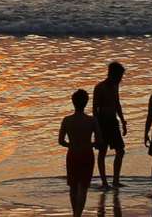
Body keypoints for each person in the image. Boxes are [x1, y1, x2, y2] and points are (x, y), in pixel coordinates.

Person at [58, 88, 99, 217]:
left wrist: (71, 145)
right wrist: (90, 144)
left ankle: (75, 213)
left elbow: (61, 141)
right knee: (83, 187)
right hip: (87, 154)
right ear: (86, 102)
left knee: (73, 187)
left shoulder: (67, 120)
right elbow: (100, 141)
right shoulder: (92, 120)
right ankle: (78, 214)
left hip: (73, 154)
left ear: (73, 102)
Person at [92, 62, 128, 189]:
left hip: (113, 122)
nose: (120, 79)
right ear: (112, 74)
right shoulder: (99, 88)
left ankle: (116, 180)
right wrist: (96, 131)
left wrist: (123, 121)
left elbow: (117, 104)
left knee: (120, 151)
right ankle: (104, 182)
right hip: (102, 122)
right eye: (119, 76)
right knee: (102, 152)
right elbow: (94, 110)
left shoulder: (115, 86)